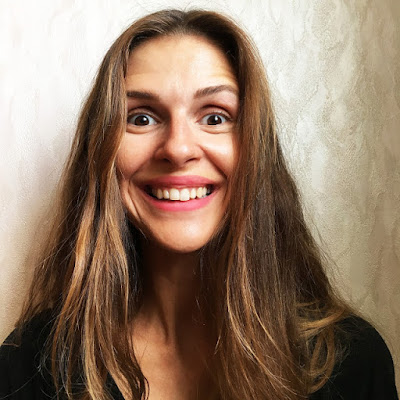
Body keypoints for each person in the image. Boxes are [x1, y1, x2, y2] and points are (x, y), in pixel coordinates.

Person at [0, 9, 397, 400]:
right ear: (101, 151)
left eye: (215, 118)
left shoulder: (353, 363)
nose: (177, 148)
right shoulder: (27, 366)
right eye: (140, 118)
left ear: (256, 150)